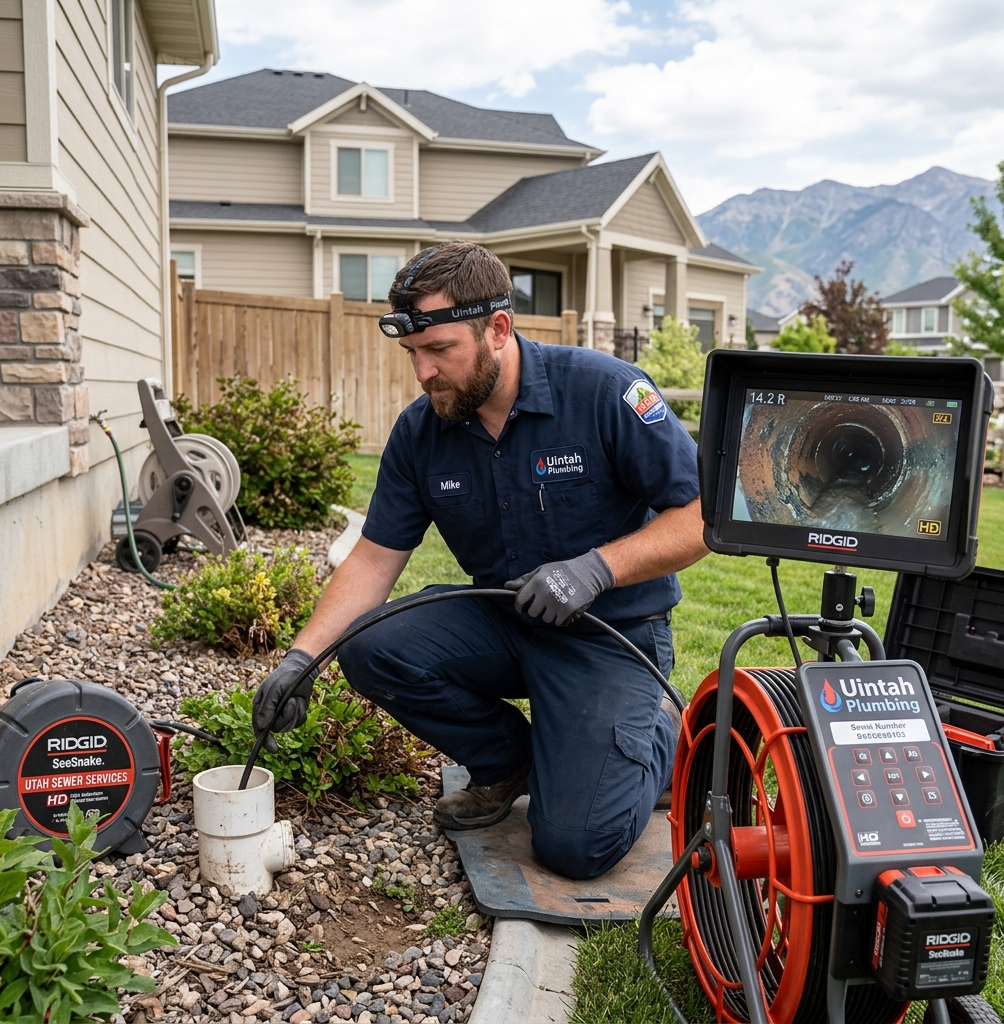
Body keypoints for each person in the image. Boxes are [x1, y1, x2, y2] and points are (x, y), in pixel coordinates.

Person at [252, 241, 708, 880]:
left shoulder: (606, 391)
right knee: (365, 646)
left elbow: (700, 519)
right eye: (413, 353)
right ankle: (505, 760)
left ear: (498, 328)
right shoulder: (422, 431)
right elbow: (374, 560)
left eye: (440, 350)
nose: (424, 373)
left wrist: (593, 569)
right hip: (506, 621)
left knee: (574, 848)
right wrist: (300, 661)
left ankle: (661, 732)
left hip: (611, 637)